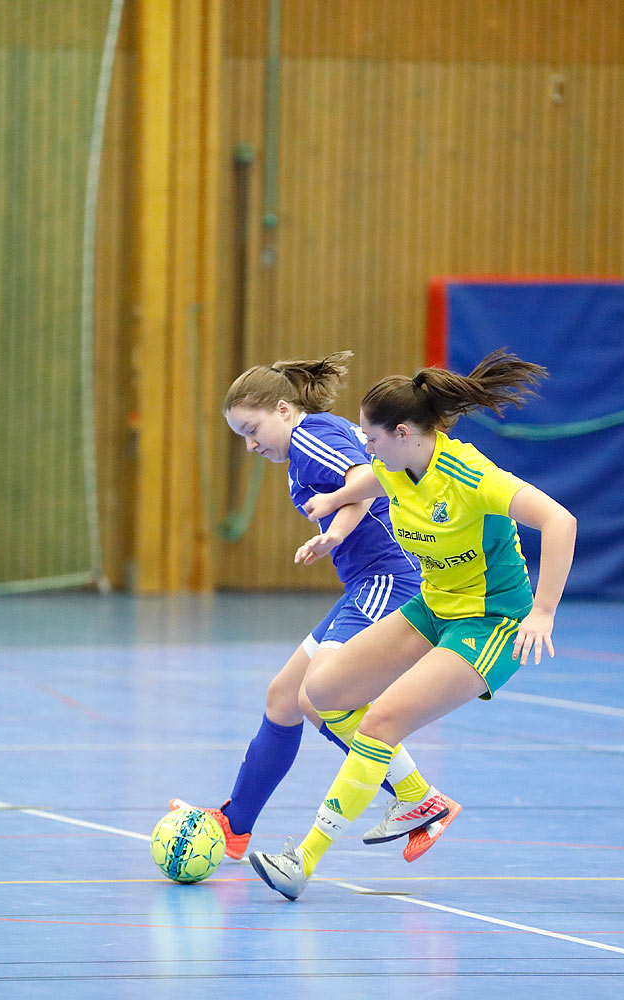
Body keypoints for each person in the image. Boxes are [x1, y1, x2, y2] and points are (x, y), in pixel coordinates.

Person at [249, 349, 578, 900]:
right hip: (433, 606)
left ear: (403, 433)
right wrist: (333, 501)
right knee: (321, 692)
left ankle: (302, 860)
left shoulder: (471, 476)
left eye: (371, 439)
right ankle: (419, 799)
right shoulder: (395, 467)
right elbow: (370, 482)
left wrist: (543, 610)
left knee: (380, 723)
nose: (364, 448)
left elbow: (559, 520)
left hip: (488, 620)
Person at [170, 352, 460, 864]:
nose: (250, 443)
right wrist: (335, 532)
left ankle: (418, 797)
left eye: (252, 429)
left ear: (283, 409)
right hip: (367, 582)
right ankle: (235, 826)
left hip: (390, 577)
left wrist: (335, 531)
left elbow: (369, 481)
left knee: (316, 697)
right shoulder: (308, 440)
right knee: (284, 696)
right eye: (241, 435)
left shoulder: (310, 439)